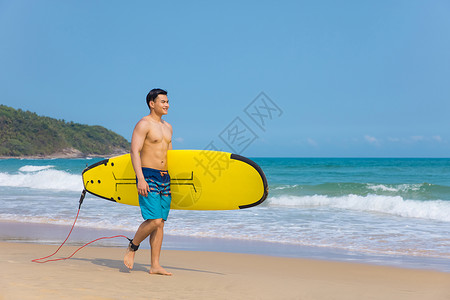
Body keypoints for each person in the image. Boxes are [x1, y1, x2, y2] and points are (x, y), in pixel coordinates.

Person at [123, 88, 173, 276]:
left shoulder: (168, 127)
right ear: (152, 104)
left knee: (161, 223)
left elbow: (170, 155)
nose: (167, 104)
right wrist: (141, 178)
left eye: (167, 101)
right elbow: (134, 151)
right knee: (154, 219)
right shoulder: (143, 124)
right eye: (163, 101)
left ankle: (155, 265)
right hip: (148, 174)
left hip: (164, 176)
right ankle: (133, 246)